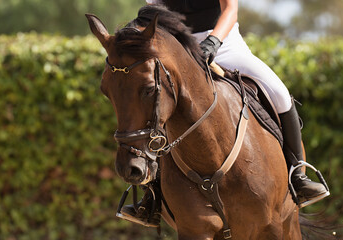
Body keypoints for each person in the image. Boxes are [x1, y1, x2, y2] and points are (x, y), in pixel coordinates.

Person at [117, 0, 330, 228]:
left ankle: (298, 174)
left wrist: (213, 42)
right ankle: (151, 194)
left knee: (279, 92)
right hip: (175, 51)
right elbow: (151, 16)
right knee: (150, 102)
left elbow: (231, 9)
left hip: (222, 42)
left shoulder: (220, 39)